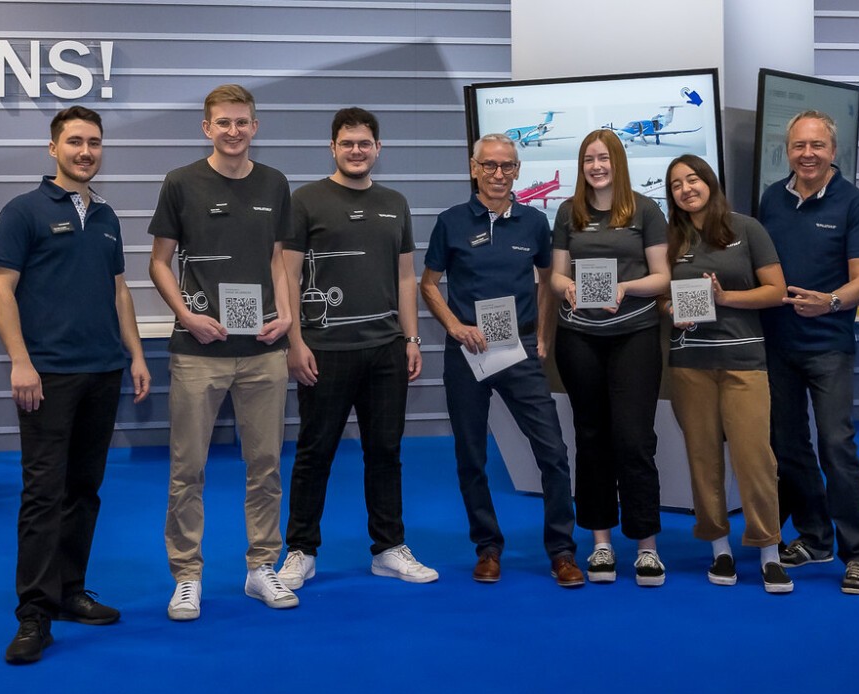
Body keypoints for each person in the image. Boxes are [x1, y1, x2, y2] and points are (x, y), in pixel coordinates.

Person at [0, 107, 151, 664]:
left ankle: (68, 591)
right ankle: (33, 612)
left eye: (95, 143)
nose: (86, 151)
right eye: (75, 141)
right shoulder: (23, 211)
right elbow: (0, 290)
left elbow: (119, 290)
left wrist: (133, 355)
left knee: (84, 489)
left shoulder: (106, 215)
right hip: (47, 376)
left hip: (103, 372)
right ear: (52, 148)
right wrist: (20, 361)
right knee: (43, 494)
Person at [148, 84, 297, 620]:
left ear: (255, 127)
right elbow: (159, 262)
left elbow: (279, 261)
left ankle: (261, 568)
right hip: (197, 352)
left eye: (242, 122)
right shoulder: (180, 183)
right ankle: (186, 575)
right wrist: (187, 316)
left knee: (266, 466)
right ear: (206, 128)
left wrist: (286, 315)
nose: (233, 131)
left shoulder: (276, 184)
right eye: (223, 123)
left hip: (263, 350)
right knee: (187, 470)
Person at [277, 107, 437, 587]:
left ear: (377, 149)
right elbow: (285, 274)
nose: (356, 151)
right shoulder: (304, 201)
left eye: (364, 143)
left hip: (386, 350)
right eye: (347, 143)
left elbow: (406, 276)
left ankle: (388, 547)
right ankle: (301, 550)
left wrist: (410, 338)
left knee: (385, 452)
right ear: (332, 147)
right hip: (324, 352)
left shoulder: (395, 203)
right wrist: (295, 342)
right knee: (314, 452)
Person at [420, 133, 584, 588]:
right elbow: (429, 284)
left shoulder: (534, 221)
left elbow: (549, 279)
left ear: (517, 170)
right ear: (474, 168)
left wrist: (545, 338)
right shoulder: (451, 222)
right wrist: (454, 326)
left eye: (507, 166)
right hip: (467, 352)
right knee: (470, 455)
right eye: (489, 166)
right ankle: (487, 547)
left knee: (552, 451)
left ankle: (562, 551)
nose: (498, 174)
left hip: (519, 349)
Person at [758, 110, 859, 595]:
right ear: (787, 151)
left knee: (835, 445)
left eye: (817, 146)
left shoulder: (854, 203)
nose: (807, 154)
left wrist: (828, 302)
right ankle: (814, 538)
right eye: (798, 146)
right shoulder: (770, 199)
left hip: (828, 345)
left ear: (833, 151)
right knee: (788, 448)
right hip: (776, 346)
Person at [661, 154, 792, 593]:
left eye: (692, 179)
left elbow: (776, 291)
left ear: (709, 182)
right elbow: (662, 299)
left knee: (755, 459)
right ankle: (720, 549)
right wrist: (672, 311)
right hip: (690, 366)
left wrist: (726, 298)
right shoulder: (671, 238)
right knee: (703, 460)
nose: (686, 189)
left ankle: (769, 551)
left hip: (743, 363)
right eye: (676, 184)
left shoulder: (746, 229)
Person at [548, 128, 671, 586]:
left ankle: (646, 546)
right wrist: (571, 288)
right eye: (588, 160)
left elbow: (662, 276)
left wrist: (625, 287)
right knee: (591, 436)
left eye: (604, 158)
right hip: (578, 338)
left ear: (618, 162)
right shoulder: (567, 212)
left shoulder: (646, 210)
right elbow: (556, 278)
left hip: (633, 336)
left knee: (635, 439)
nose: (596, 167)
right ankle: (600, 543)